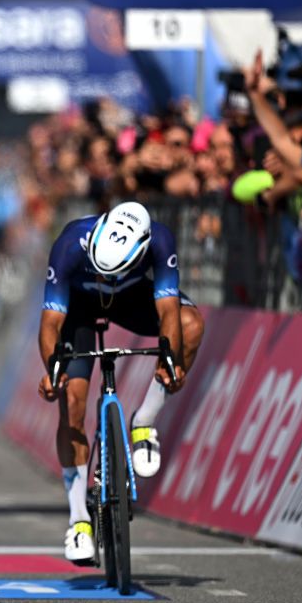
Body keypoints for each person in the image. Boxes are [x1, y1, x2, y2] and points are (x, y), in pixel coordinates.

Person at [36, 201, 205, 564]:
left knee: (190, 327)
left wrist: (170, 360)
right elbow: (50, 322)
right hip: (79, 308)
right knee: (74, 404)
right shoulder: (69, 243)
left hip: (131, 298)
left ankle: (144, 422)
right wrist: (54, 370)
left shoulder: (160, 241)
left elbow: (168, 311)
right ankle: (79, 518)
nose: (103, 276)